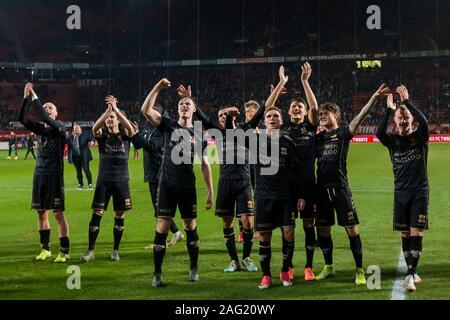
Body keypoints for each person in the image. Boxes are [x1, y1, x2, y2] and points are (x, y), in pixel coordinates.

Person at [314, 84, 390, 285]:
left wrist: (373, 98)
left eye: (326, 112)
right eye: (320, 113)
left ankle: (359, 270)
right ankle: (328, 267)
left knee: (351, 229)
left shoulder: (343, 133)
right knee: (323, 229)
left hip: (340, 188)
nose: (322, 115)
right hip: (321, 189)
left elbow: (361, 117)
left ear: (335, 116)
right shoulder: (318, 138)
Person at [141, 78, 214, 287]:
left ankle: (193, 267)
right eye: (181, 104)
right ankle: (157, 274)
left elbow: (205, 164)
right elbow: (146, 110)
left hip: (187, 186)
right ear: (178, 109)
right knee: (162, 226)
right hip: (167, 183)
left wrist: (210, 191)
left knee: (190, 225)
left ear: (193, 110)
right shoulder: (168, 125)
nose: (184, 106)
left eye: (188, 104)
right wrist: (157, 87)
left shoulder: (199, 134)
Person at [376, 85, 429, 292]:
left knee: (416, 232)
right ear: (395, 121)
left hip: (419, 193)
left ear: (411, 119)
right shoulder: (393, 142)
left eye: (406, 116)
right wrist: (390, 109)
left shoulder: (420, 138)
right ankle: (412, 271)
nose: (404, 119)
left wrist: (406, 102)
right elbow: (380, 131)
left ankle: (409, 274)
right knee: (405, 234)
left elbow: (423, 121)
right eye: (400, 117)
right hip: (400, 193)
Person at [273, 62, 319, 281]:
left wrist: (304, 82)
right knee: (287, 228)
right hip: (287, 186)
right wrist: (281, 84)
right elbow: (267, 110)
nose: (297, 108)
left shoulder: (310, 127)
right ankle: (288, 265)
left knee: (309, 225)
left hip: (308, 183)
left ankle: (309, 266)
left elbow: (315, 109)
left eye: (300, 107)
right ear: (288, 111)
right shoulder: (283, 129)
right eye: (293, 107)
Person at [18, 82, 70, 263]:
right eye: (46, 106)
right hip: (39, 175)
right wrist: (25, 99)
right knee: (41, 212)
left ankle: (64, 251)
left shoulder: (60, 128)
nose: (47, 109)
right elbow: (21, 118)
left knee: (57, 213)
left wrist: (34, 96)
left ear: (56, 114)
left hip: (55, 175)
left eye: (51, 107)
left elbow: (43, 117)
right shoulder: (40, 130)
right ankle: (45, 249)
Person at [81, 96, 135, 262]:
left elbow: (132, 130)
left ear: (118, 120)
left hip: (121, 181)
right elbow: (94, 128)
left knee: (119, 215)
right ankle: (90, 251)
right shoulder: (102, 136)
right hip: (104, 181)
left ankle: (115, 250)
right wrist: (108, 111)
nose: (110, 119)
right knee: (97, 214)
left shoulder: (125, 136)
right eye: (108, 118)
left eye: (113, 118)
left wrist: (116, 110)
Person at [131, 109, 184, 250]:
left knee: (160, 208)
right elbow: (138, 145)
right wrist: (134, 134)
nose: (147, 115)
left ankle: (166, 238)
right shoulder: (148, 128)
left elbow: (152, 147)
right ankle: (173, 234)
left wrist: (137, 134)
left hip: (159, 171)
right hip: (150, 172)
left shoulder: (162, 130)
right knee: (158, 208)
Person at [68, 125, 93, 189]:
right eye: (75, 128)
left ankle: (90, 184)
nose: (76, 129)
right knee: (78, 172)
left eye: (77, 128)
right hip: (75, 157)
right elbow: (67, 144)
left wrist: (92, 142)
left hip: (84, 157)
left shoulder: (85, 135)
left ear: (80, 129)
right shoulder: (70, 137)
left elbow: (91, 139)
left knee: (86, 170)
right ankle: (80, 184)